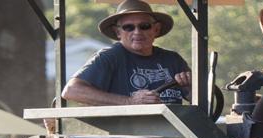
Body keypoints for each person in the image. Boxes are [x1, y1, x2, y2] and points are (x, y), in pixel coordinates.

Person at [63, 1, 193, 106]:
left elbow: (200, 101)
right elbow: (72, 91)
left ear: (156, 29)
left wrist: (193, 87)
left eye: (144, 26)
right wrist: (129, 101)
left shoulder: (173, 59)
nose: (137, 32)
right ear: (118, 32)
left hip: (177, 133)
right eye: (128, 27)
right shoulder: (109, 57)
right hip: (126, 137)